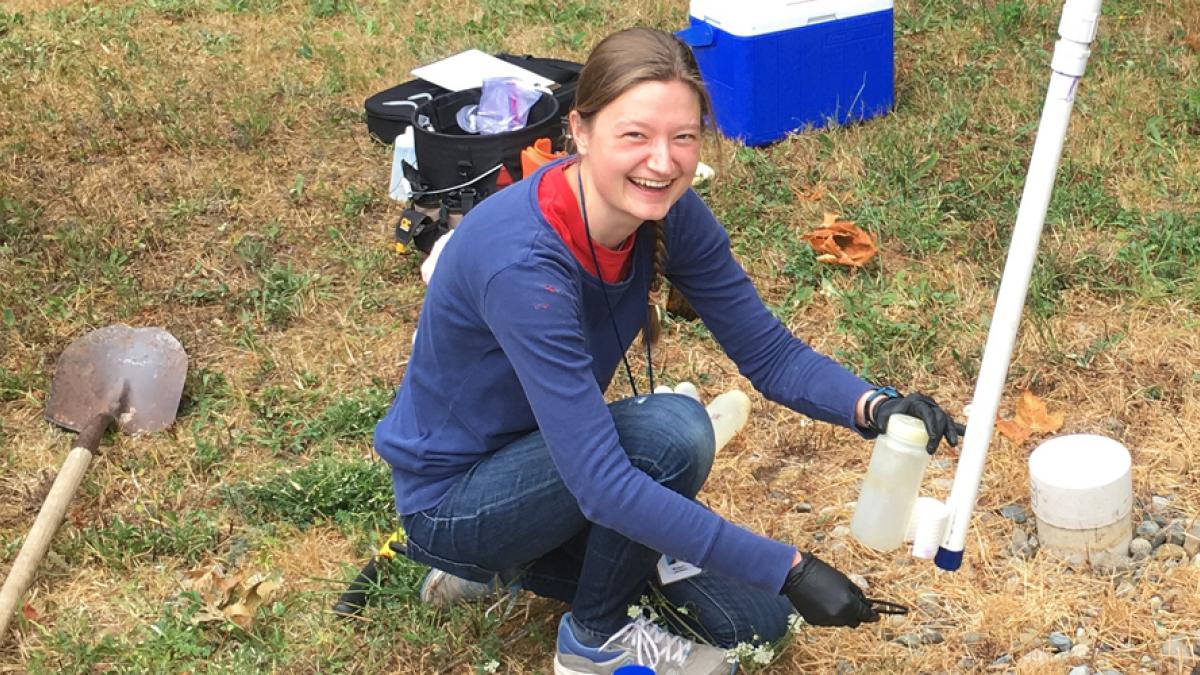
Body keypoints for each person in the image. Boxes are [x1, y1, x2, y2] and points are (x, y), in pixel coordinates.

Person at [374, 27, 964, 675]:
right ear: (581, 130)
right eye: (636, 135)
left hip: (551, 467)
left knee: (757, 622)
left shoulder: (666, 213)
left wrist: (873, 405)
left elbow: (768, 353)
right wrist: (789, 565)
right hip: (455, 500)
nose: (663, 160)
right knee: (670, 432)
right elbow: (603, 483)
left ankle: (513, 565)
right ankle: (591, 640)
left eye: (683, 137)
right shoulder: (523, 265)